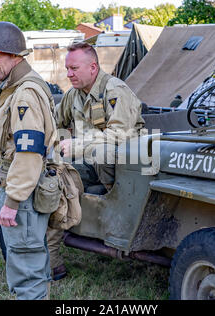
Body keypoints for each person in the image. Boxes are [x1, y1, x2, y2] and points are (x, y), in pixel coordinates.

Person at [0, 21, 57, 300]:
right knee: (29, 265)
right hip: (20, 190)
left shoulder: (25, 93)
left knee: (26, 272)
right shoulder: (16, 87)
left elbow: (29, 151)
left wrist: (12, 201)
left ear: (14, 55)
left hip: (22, 195)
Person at [48, 41, 145, 280]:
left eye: (74, 68)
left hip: (128, 164)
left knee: (103, 152)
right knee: (52, 182)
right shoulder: (73, 95)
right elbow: (55, 122)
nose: (68, 74)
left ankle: (110, 197)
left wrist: (75, 145)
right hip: (90, 161)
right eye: (67, 68)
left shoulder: (114, 90)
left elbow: (118, 135)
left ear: (93, 67)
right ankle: (52, 261)